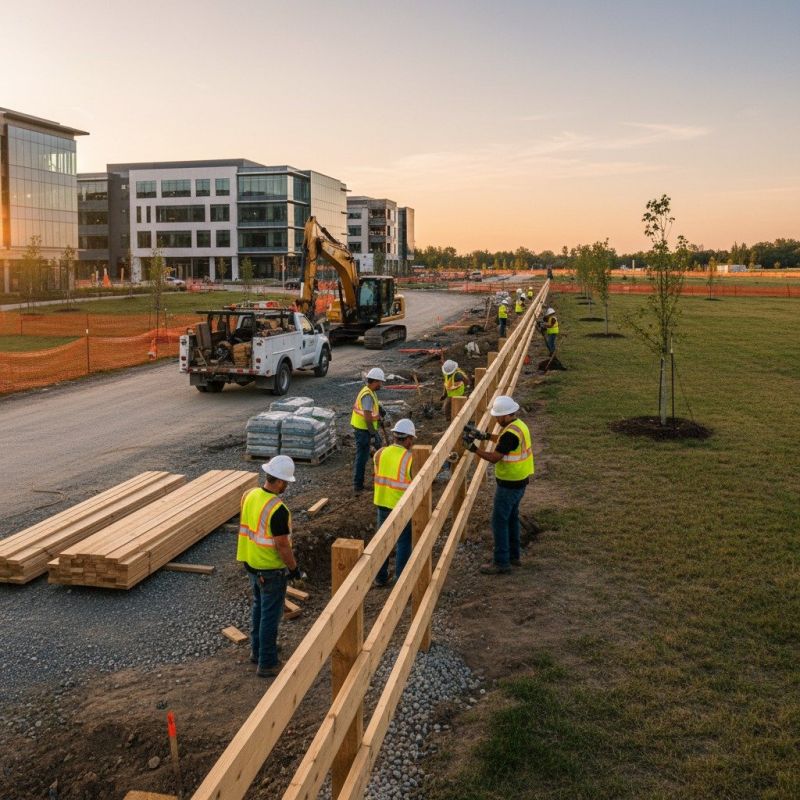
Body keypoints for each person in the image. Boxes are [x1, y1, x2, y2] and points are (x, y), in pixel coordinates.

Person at [237, 455, 304, 677]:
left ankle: (257, 652)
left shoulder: (251, 495)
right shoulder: (278, 509)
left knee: (259, 610)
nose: (287, 486)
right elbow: (282, 545)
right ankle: (267, 662)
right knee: (270, 616)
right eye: (287, 482)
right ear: (280, 482)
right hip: (270, 569)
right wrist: (294, 569)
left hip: (252, 565)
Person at [465, 395, 534, 575]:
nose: (496, 419)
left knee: (498, 521)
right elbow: (504, 440)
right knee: (511, 518)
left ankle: (501, 562)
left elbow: (495, 458)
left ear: (506, 415)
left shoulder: (510, 433)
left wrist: (474, 449)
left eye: (498, 416)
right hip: (520, 480)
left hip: (510, 483)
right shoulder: (518, 426)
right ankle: (514, 555)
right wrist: (485, 436)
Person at [373, 419, 416, 587]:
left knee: (383, 542)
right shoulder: (409, 458)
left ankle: (380, 578)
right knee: (403, 542)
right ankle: (401, 580)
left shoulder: (380, 453)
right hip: (400, 506)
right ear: (408, 439)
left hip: (382, 503)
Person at [351, 367, 385, 492]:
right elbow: (367, 416)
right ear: (375, 381)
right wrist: (372, 433)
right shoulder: (367, 396)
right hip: (363, 430)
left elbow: (373, 410)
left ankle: (376, 477)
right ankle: (358, 485)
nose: (381, 384)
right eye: (380, 382)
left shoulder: (370, 392)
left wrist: (380, 410)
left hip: (366, 429)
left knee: (368, 453)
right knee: (362, 457)